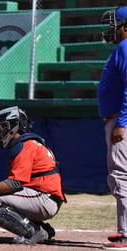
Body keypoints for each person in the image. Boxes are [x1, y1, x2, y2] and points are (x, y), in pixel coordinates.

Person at [0, 106, 66, 245]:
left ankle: (32, 231)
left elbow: (14, 184)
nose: (0, 131)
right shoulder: (27, 143)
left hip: (43, 198)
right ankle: (42, 229)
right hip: (44, 196)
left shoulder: (25, 145)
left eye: (3, 126)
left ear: (15, 126)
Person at [98, 6, 127, 249]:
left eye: (114, 24)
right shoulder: (121, 48)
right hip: (117, 118)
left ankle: (125, 234)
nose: (110, 29)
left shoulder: (126, 48)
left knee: (120, 174)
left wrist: (121, 123)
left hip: (121, 120)